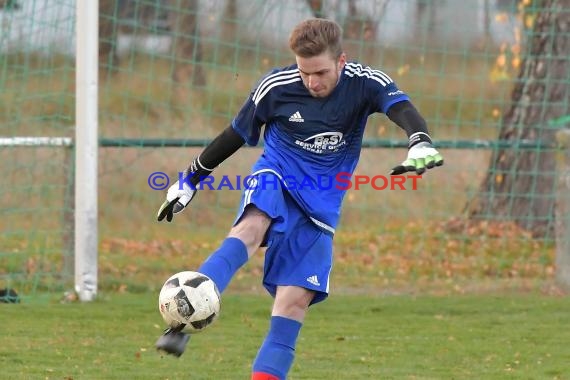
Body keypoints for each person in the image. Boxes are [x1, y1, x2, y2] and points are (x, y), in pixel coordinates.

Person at [155, 18, 443, 380]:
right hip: (277, 172)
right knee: (251, 227)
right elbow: (235, 134)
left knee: (291, 306)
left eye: (321, 72)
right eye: (304, 72)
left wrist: (419, 139)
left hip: (322, 201)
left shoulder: (366, 82)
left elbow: (401, 108)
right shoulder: (276, 86)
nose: (312, 82)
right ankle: (183, 317)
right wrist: (190, 178)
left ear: (341, 61)